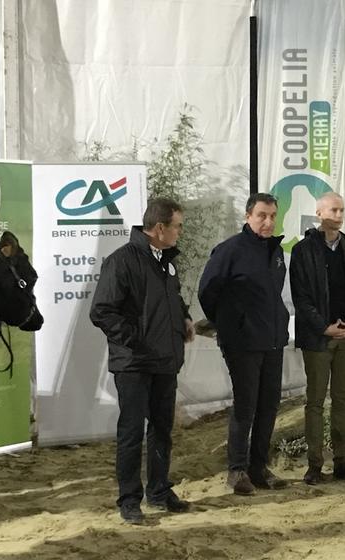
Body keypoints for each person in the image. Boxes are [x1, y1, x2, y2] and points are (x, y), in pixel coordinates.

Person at [90, 197, 195, 524]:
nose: (180, 232)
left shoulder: (166, 261)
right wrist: (138, 340)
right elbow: (102, 311)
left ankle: (160, 491)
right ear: (160, 228)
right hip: (134, 364)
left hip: (165, 361)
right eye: (177, 226)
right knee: (132, 431)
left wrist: (184, 320)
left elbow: (172, 298)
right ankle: (129, 499)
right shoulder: (122, 261)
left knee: (162, 428)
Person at [198, 192, 289, 495]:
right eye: (262, 215)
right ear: (248, 216)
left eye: (273, 216)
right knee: (245, 405)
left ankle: (259, 467)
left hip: (273, 340)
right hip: (242, 342)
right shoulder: (229, 250)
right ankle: (237, 470)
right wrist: (230, 324)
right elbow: (207, 292)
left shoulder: (275, 252)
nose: (268, 221)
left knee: (269, 405)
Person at [290, 192, 345, 485]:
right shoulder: (303, 251)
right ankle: (314, 465)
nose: (338, 215)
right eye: (333, 210)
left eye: (341, 210)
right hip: (318, 339)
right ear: (319, 212)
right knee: (314, 402)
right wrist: (323, 327)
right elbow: (300, 296)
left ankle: (342, 463)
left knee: (342, 401)